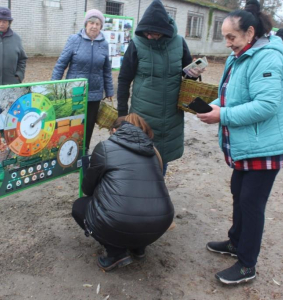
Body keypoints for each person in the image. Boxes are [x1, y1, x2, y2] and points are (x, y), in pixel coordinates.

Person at [197, 0, 283, 285]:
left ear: (249, 33)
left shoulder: (268, 57)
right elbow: (227, 97)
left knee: (251, 203)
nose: (227, 43)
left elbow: (267, 105)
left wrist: (223, 115)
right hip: (246, 145)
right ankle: (236, 242)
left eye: (231, 37)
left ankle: (247, 264)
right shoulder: (238, 57)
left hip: (264, 146)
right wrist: (209, 107)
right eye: (225, 37)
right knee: (238, 192)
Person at [72, 113, 174, 271]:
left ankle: (116, 253)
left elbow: (87, 189)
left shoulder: (105, 147)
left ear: (114, 130)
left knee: (79, 207)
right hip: (160, 222)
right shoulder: (153, 151)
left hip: (121, 221)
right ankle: (138, 248)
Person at [117, 0, 203, 175]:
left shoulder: (179, 43)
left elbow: (188, 76)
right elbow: (124, 80)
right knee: (139, 159)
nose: (149, 36)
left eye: (153, 33)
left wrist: (194, 72)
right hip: (143, 115)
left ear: (164, 30)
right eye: (146, 32)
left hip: (171, 116)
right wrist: (122, 115)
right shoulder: (137, 44)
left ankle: (156, 193)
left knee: (161, 159)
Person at [51, 9, 114, 153]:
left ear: (101, 26)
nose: (94, 26)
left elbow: (106, 69)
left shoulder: (104, 44)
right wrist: (54, 85)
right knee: (73, 123)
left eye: (97, 24)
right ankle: (69, 153)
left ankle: (83, 153)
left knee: (89, 125)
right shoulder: (74, 40)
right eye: (91, 23)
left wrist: (109, 90)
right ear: (86, 24)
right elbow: (61, 64)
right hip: (76, 90)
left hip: (94, 92)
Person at [0, 7, 27, 87]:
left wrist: (19, 76)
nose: (1, 24)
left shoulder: (16, 38)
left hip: (9, 85)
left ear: (9, 23)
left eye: (4, 21)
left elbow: (22, 59)